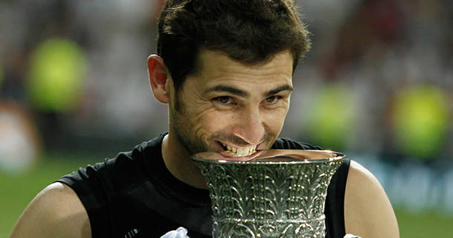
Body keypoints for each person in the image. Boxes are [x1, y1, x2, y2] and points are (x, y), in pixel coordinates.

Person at [11, 0, 399, 237]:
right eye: (226, 99)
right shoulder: (71, 218)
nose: (251, 132)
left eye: (274, 99)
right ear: (163, 81)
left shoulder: (348, 199)